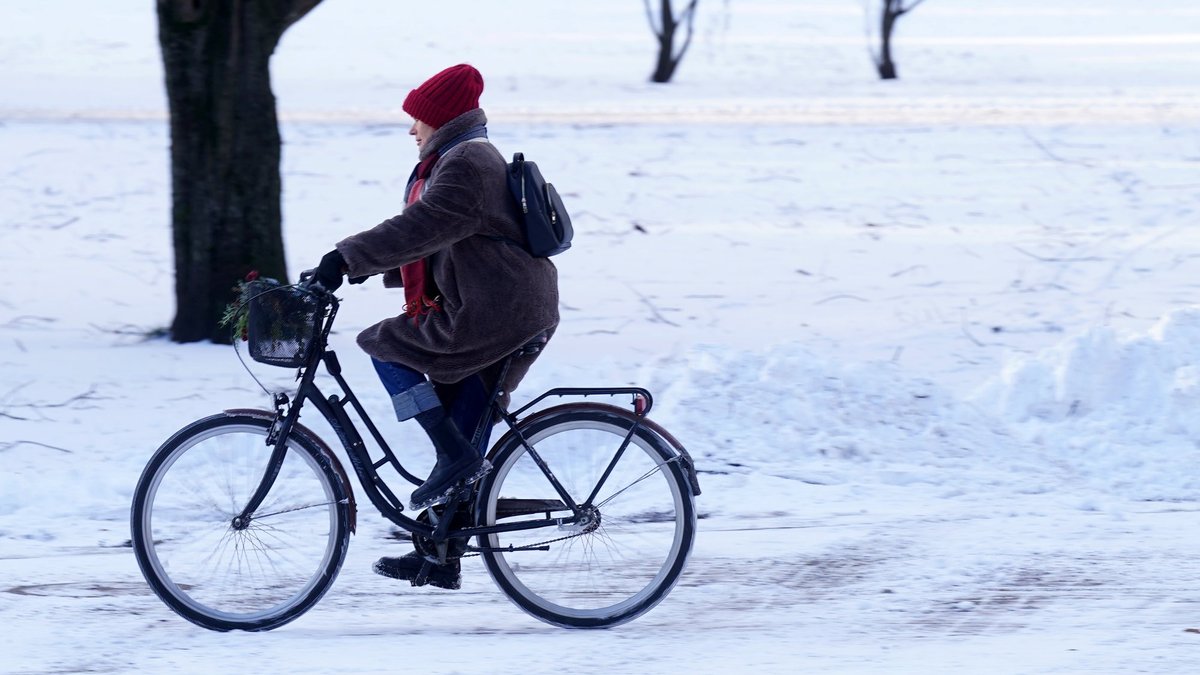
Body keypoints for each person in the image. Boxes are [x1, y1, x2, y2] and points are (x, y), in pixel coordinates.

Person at [313, 64, 560, 588]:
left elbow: (423, 225)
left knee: (383, 345)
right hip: (504, 307)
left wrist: (345, 258)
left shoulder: (467, 162)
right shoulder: (464, 156)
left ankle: (453, 462)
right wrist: (368, 267)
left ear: (443, 119)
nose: (412, 129)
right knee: (461, 432)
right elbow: (440, 236)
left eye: (418, 118)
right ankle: (442, 554)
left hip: (495, 313)